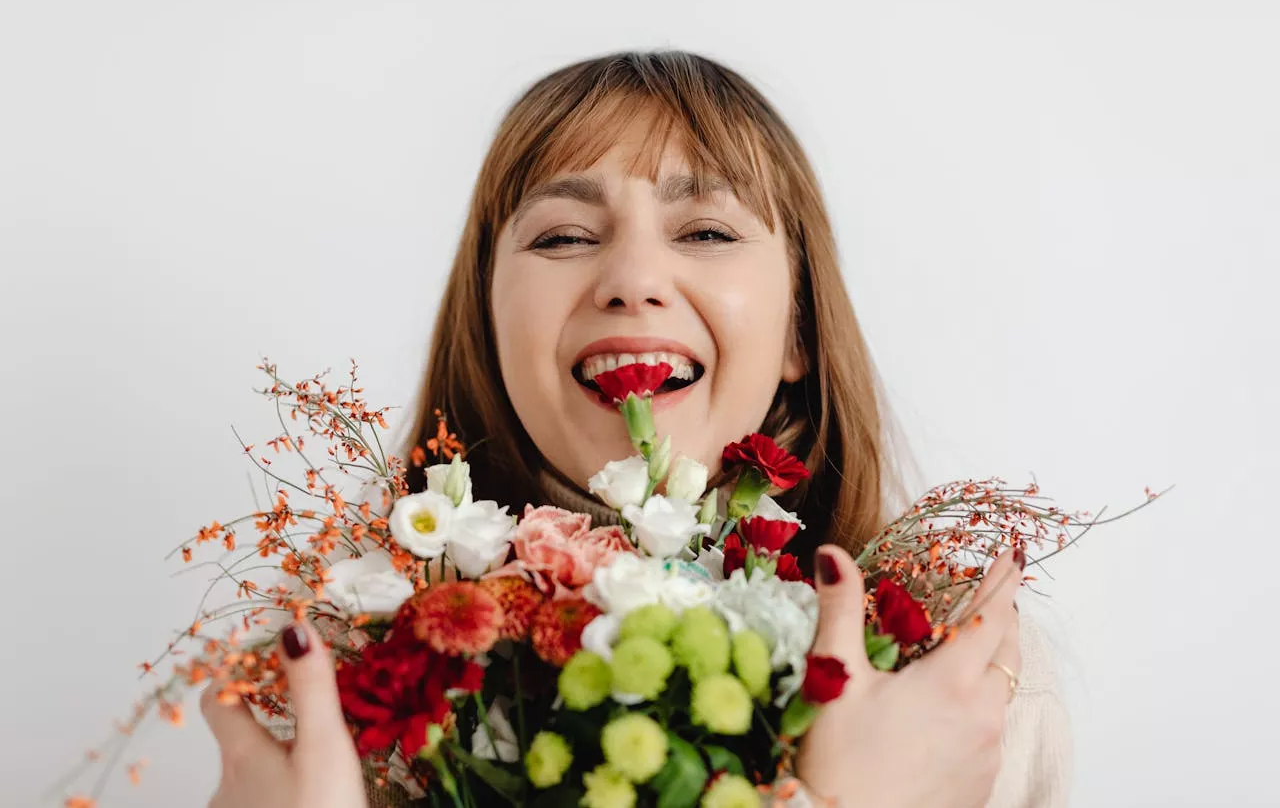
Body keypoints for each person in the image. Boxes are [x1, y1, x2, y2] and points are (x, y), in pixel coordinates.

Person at [200, 50, 1072, 807]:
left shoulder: (955, 678)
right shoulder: (337, 682)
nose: (633, 277)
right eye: (566, 236)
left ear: (800, 329)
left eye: (704, 228)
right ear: (489, 322)